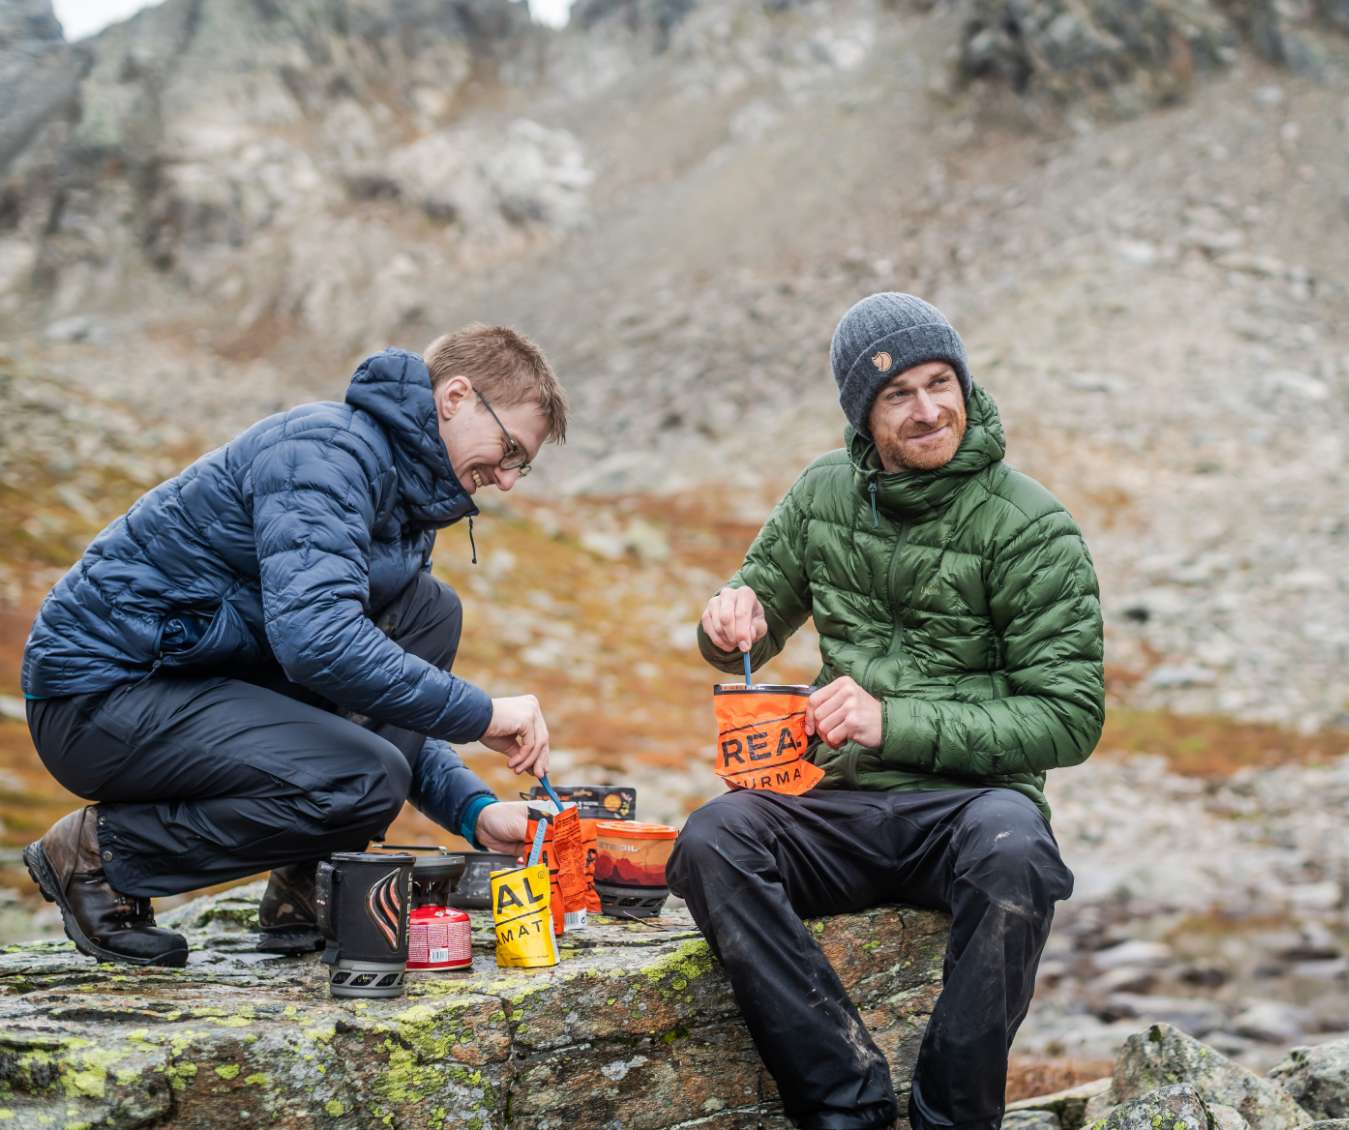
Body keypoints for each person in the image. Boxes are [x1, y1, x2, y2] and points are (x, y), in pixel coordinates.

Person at [673, 293, 1103, 1130]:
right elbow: (748, 622)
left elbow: (1068, 718)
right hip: (844, 807)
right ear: (861, 415)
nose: (929, 410)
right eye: (898, 395)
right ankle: (847, 1104)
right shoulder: (823, 493)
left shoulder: (1031, 525)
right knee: (713, 839)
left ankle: (952, 1116)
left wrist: (891, 721)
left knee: (1017, 851)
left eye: (941, 383)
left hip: (971, 810)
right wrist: (725, 622)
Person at [17, 325, 562, 967]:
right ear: (456, 397)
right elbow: (318, 643)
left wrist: (474, 811)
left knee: (428, 612)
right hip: (102, 696)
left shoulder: (403, 500)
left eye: (521, 464)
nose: (507, 479)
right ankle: (97, 854)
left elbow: (383, 713)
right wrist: (484, 714)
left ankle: (307, 886)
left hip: (199, 680)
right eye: (509, 449)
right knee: (366, 778)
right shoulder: (325, 453)